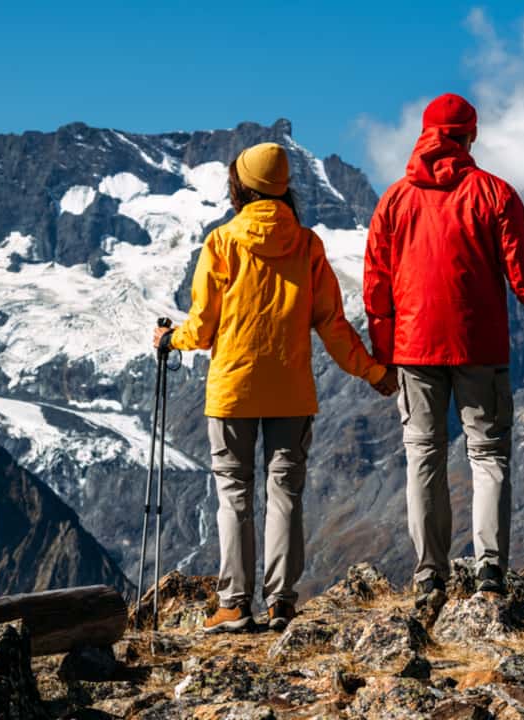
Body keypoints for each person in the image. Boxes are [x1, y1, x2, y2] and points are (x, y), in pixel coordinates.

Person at [363, 94, 524, 607]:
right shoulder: (495, 194)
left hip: (415, 350)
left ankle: (430, 573)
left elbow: (377, 291)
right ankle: (490, 570)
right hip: (480, 347)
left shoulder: (395, 200)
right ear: (470, 135)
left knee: (423, 456)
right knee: (488, 455)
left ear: (425, 134)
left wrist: (385, 355)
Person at [154, 142, 398, 634]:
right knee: (285, 492)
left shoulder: (222, 243)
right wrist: (372, 371)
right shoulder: (307, 246)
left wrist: (168, 339)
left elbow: (201, 329)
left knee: (234, 494)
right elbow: (332, 325)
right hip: (291, 391)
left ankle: (235, 604)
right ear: (284, 187)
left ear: (239, 185)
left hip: (233, 390)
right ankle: (282, 602)